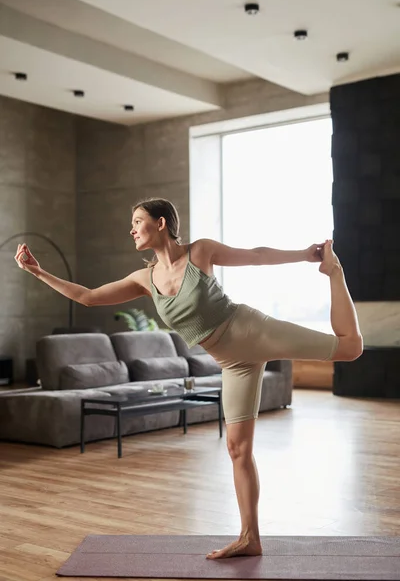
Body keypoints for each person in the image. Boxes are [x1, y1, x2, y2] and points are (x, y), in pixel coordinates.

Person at [14, 197, 363, 560]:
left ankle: (335, 273)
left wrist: (306, 255)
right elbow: (87, 297)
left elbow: (255, 256)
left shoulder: (201, 252)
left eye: (137, 220)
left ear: (161, 222)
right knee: (237, 448)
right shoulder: (144, 279)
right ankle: (250, 537)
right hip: (232, 363)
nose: (131, 229)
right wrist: (38, 272)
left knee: (350, 348)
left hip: (251, 331)